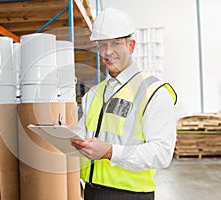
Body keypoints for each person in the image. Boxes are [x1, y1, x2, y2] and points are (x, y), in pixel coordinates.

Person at [71, 7, 177, 200]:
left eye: (116, 43)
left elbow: (162, 153)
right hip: (91, 191)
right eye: (102, 45)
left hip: (131, 195)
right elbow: (84, 135)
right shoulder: (93, 93)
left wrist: (110, 152)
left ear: (131, 46)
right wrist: (64, 135)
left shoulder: (154, 92)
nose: (108, 52)